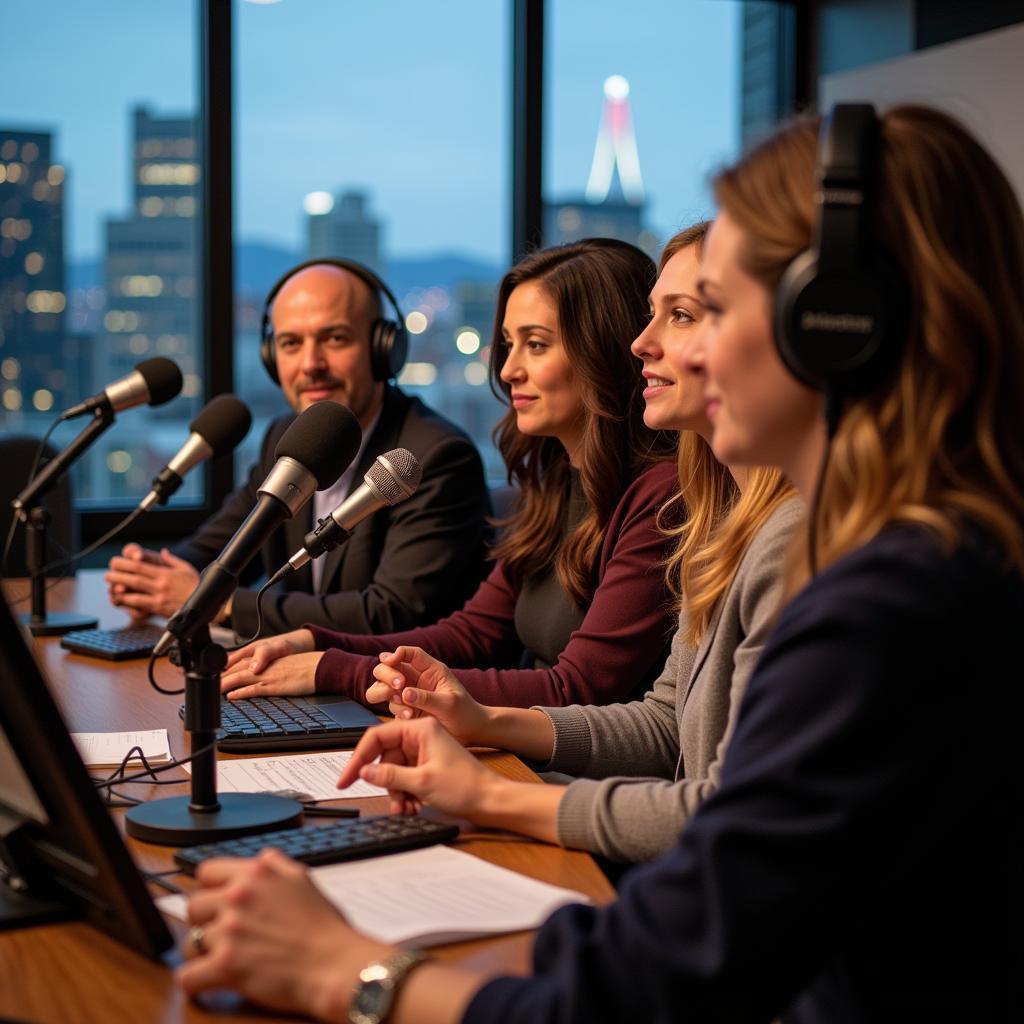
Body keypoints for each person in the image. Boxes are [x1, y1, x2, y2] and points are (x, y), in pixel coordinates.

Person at [178, 105, 1024, 1022]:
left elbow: (659, 976)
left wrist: (345, 971)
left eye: (716, 309)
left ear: (838, 325)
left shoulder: (889, 600)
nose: (671, 350)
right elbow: (701, 829)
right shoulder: (909, 557)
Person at [352, 223, 801, 864]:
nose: (641, 345)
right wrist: (480, 719)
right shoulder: (720, 525)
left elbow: (734, 819)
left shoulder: (784, 539)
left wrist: (487, 795)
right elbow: (663, 722)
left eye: (680, 316)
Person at [218, 239, 680, 710]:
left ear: (603, 352)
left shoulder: (660, 496)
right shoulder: (556, 482)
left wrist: (333, 669)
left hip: (569, 772)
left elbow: (576, 690)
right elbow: (474, 633)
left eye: (535, 345)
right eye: (507, 345)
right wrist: (312, 643)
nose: (509, 370)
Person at [104, 259, 491, 637]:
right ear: (272, 359)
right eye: (290, 343)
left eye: (335, 339)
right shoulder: (291, 438)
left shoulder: (433, 457)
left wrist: (216, 602)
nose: (310, 364)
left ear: (383, 349)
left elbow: (392, 614)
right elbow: (223, 544)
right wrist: (150, 577)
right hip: (302, 689)